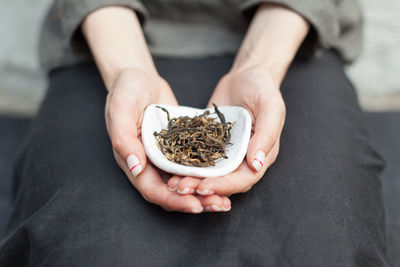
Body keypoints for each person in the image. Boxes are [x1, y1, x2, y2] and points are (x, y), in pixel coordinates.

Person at [0, 0, 390, 266]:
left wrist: (259, 66)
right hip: (109, 33)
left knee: (320, 241)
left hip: (288, 35)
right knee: (89, 244)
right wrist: (126, 70)